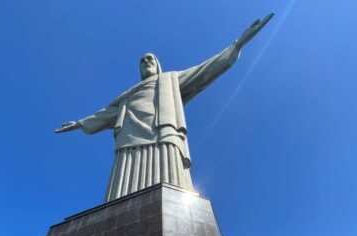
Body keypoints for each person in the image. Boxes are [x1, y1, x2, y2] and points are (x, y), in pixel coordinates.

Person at [55, 15, 274, 201]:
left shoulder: (171, 79)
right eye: (142, 60)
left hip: (163, 132)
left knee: (172, 183)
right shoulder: (127, 97)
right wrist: (79, 123)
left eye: (150, 58)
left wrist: (237, 44)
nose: (146, 61)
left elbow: (205, 70)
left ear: (158, 64)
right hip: (130, 140)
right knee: (122, 185)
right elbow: (105, 114)